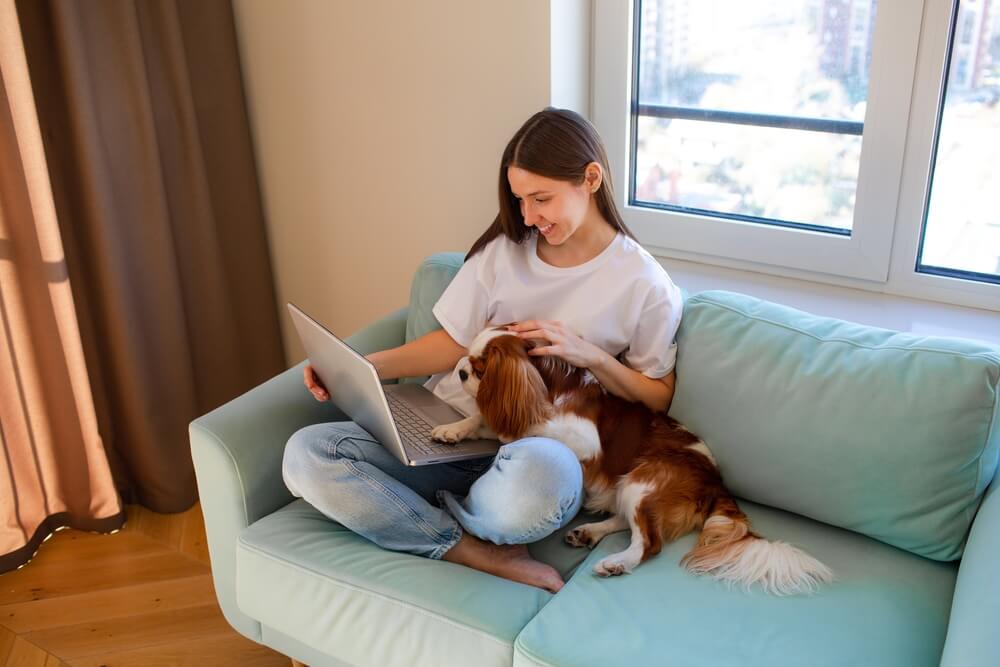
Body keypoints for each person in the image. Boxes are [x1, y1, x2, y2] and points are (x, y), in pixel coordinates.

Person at [282, 107, 683, 593]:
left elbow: (657, 395)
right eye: (519, 200)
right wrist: (364, 367)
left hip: (535, 450)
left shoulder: (644, 285)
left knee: (540, 481)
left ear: (591, 178)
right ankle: (465, 545)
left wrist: (591, 354)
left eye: (542, 199)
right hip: (447, 433)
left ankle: (420, 511)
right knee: (308, 452)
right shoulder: (503, 252)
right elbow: (451, 343)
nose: (528, 217)